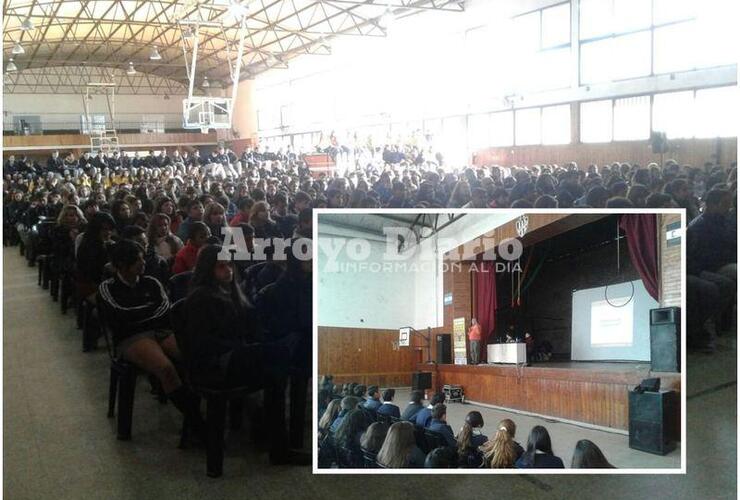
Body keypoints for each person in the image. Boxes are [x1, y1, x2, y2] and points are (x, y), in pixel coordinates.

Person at [184, 244, 309, 465]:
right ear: (208, 269)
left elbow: (251, 325)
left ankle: (277, 444)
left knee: (276, 369)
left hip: (236, 355)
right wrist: (246, 345)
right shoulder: (201, 298)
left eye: (229, 265)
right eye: (220, 267)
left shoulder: (232, 292)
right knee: (280, 356)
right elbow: (204, 343)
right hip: (216, 363)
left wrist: (255, 339)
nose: (228, 271)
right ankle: (277, 444)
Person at [97, 239, 205, 438]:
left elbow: (165, 309)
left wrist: (140, 315)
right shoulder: (107, 288)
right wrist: (148, 311)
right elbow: (120, 315)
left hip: (159, 331)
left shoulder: (151, 282)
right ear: (122, 264)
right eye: (137, 260)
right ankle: (197, 423)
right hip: (131, 337)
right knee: (166, 368)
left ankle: (195, 410)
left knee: (192, 356)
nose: (143, 263)